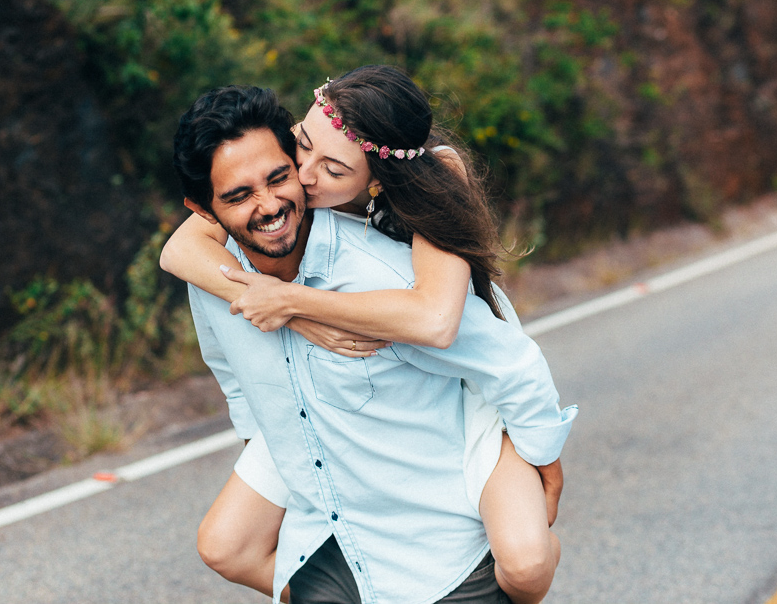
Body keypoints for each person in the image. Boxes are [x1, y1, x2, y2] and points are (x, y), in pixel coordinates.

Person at [169, 78, 577, 603]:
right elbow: (229, 359)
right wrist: (289, 317)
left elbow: (445, 326)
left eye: (330, 171)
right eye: (303, 149)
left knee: (524, 562)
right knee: (225, 545)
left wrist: (546, 458)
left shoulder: (404, 241)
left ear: (375, 180)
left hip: (471, 391)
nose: (303, 183)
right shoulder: (218, 269)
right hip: (300, 412)